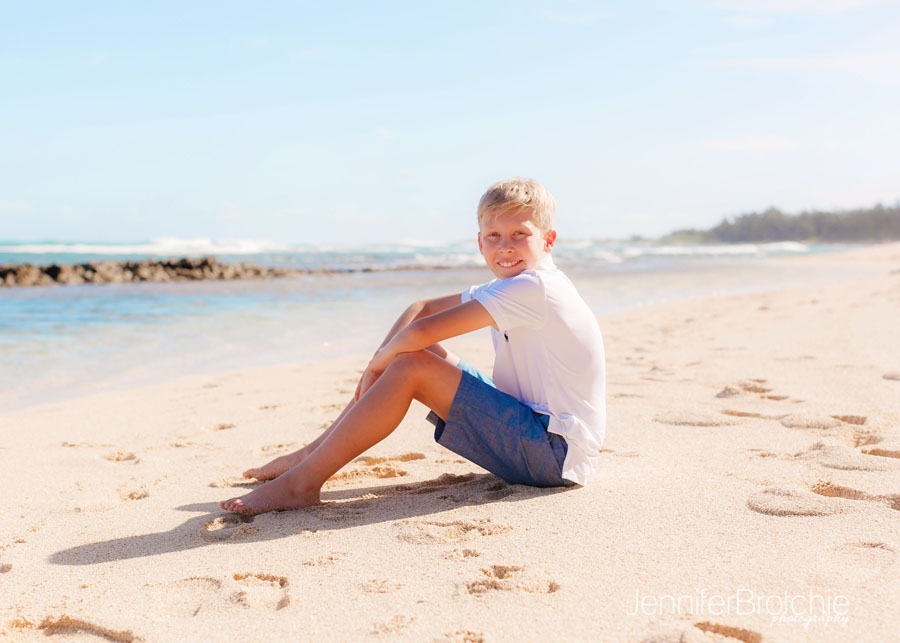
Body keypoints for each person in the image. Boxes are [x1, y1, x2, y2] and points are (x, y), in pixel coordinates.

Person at [221, 177, 606, 515]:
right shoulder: (517, 283)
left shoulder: (534, 286)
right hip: (538, 430)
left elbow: (421, 333)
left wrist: (375, 367)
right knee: (416, 356)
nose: (505, 247)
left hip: (554, 454)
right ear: (479, 242)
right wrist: (382, 361)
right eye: (494, 236)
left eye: (520, 234)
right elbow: (419, 309)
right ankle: (311, 455)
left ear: (548, 240)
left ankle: (300, 485)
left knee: (411, 365)